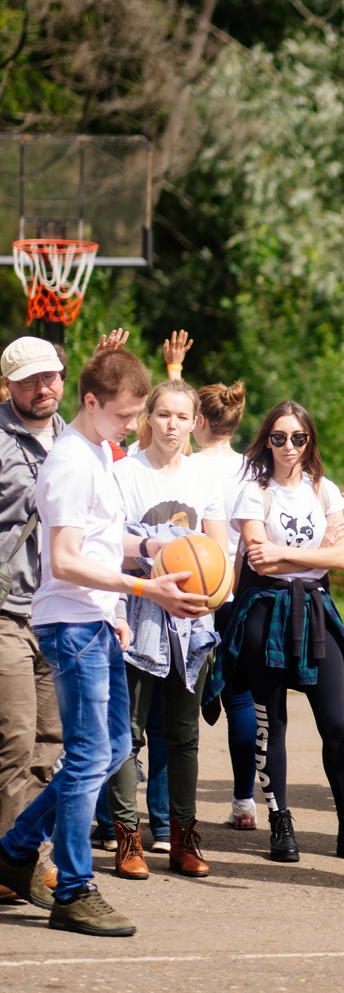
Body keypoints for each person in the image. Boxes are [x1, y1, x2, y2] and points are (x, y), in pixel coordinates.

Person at [0, 348, 207, 938]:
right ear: (91, 403)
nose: (133, 426)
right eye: (124, 416)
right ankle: (73, 888)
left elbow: (98, 539)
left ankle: (15, 849)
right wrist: (145, 586)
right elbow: (64, 560)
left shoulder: (95, 450)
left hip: (96, 619)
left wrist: (154, 548)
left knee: (114, 747)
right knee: (92, 754)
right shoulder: (68, 462)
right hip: (69, 623)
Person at [215, 399, 344, 864]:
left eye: (299, 438)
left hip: (314, 611)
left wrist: (290, 555)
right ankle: (280, 824)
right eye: (279, 437)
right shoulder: (254, 491)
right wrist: (313, 555)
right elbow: (257, 556)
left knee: (335, 724)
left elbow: (341, 559)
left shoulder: (323, 489)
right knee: (274, 727)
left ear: (310, 442)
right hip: (263, 613)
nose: (289, 446)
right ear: (266, 440)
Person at [107, 380, 227, 881]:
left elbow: (221, 553)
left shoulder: (204, 479)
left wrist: (209, 600)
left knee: (182, 734)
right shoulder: (123, 474)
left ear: (195, 422)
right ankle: (128, 837)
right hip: (137, 609)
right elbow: (106, 539)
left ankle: (183, 837)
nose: (172, 425)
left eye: (182, 416)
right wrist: (151, 552)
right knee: (128, 733)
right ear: (146, 420)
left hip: (190, 617)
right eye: (163, 415)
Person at [0, 337, 65, 905]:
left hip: (59, 613)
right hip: (5, 611)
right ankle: (10, 863)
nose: (42, 389)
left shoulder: (76, 442)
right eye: (28, 381)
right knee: (15, 742)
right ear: (9, 386)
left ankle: (27, 857)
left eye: (49, 378)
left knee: (51, 743)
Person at [190, 380, 258, 830]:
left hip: (189, 592)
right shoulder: (253, 470)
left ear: (198, 422)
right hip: (238, 595)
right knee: (241, 698)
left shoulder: (186, 467)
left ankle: (171, 812)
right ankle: (244, 801)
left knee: (175, 704)